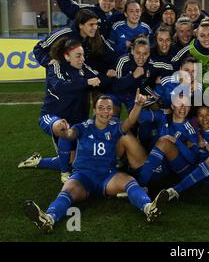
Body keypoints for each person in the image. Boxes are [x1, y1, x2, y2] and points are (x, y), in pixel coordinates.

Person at [23, 92, 169, 233]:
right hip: (83, 176)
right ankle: (48, 219)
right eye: (101, 108)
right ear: (94, 110)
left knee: (129, 181)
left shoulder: (115, 128)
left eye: (108, 108)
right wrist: (62, 129)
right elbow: (68, 134)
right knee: (67, 191)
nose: (105, 112)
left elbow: (130, 121)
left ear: (113, 111)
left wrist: (138, 105)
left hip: (107, 175)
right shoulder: (82, 127)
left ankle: (149, 208)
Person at [19, 38, 102, 183]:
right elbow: (60, 87)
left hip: (77, 121)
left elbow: (100, 79)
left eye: (82, 55)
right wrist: (86, 82)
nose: (82, 59)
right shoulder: (55, 65)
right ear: (66, 56)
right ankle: (64, 174)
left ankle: (39, 162)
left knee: (74, 161)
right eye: (78, 55)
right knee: (63, 126)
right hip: (51, 116)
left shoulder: (84, 68)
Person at [163, 106, 209, 201]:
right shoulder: (194, 133)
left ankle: (174, 191)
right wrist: (192, 144)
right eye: (200, 115)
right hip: (195, 167)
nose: (204, 118)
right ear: (197, 119)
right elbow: (191, 154)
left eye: (207, 114)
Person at [33, 9, 116, 76]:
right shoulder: (64, 34)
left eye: (96, 24)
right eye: (91, 24)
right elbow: (39, 48)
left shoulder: (96, 37)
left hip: (82, 81)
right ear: (80, 25)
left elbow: (107, 54)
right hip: (60, 81)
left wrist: (110, 69)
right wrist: (48, 61)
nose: (95, 27)